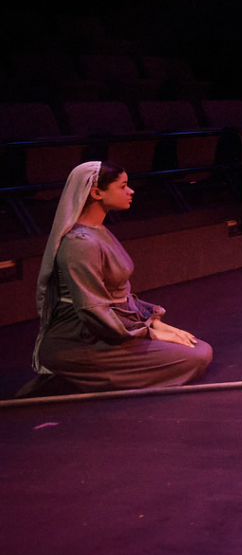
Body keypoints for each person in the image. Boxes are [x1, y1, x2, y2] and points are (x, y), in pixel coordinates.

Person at [17, 161, 213, 397]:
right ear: (97, 192)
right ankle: (77, 377)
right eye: (123, 186)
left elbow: (121, 296)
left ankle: (85, 377)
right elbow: (93, 310)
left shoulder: (98, 231)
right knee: (196, 356)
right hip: (83, 342)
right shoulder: (80, 243)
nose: (130, 191)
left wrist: (153, 321)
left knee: (197, 348)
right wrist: (147, 332)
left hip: (111, 331)